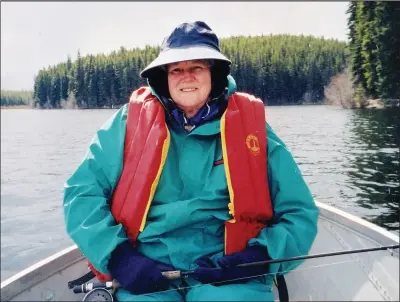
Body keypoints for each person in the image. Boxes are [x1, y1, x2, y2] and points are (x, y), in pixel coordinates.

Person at [63, 21, 319, 301]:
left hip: (230, 270)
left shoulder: (252, 129)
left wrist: (258, 256)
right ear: (164, 77)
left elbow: (299, 211)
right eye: (176, 69)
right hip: (147, 268)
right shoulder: (129, 124)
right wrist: (120, 259)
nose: (186, 77)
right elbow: (81, 194)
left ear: (214, 72)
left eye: (196, 67)